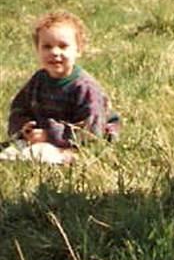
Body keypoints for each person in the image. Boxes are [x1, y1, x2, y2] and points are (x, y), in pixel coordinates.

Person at [4, 11, 120, 162]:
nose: (55, 52)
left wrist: (50, 135)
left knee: (70, 156)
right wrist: (25, 127)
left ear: (78, 50)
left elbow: (91, 131)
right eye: (47, 46)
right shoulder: (38, 80)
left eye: (63, 46)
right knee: (11, 153)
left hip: (83, 141)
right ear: (37, 49)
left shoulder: (85, 88)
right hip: (42, 137)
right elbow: (19, 108)